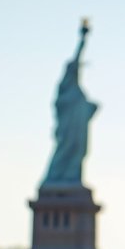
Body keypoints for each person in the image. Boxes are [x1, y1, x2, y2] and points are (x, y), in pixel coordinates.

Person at [43, 20, 98, 185]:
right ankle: (56, 178)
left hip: (77, 133)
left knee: (79, 151)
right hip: (67, 132)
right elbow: (75, 60)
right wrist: (83, 40)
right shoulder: (65, 91)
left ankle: (72, 177)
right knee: (65, 150)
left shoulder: (77, 92)